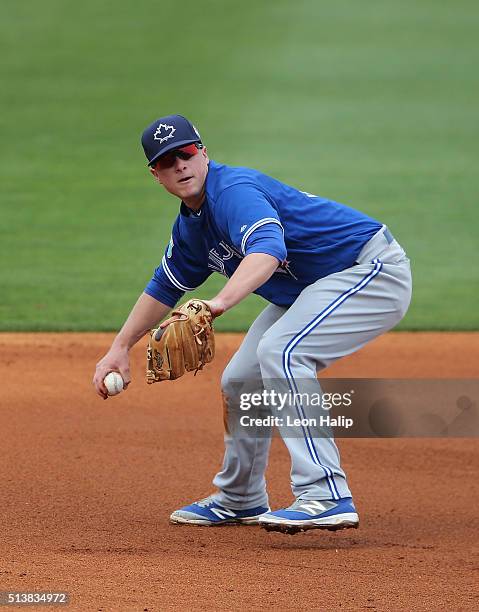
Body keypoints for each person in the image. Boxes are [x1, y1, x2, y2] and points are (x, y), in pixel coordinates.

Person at [93, 114, 412, 534]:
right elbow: (163, 287)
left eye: (186, 154)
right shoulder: (191, 225)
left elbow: (267, 251)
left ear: (203, 153)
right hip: (315, 286)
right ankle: (240, 496)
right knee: (242, 379)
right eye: (167, 162)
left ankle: (326, 494)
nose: (180, 167)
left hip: (369, 270)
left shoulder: (234, 192)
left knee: (282, 352)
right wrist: (119, 348)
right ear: (156, 175)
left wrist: (219, 303)